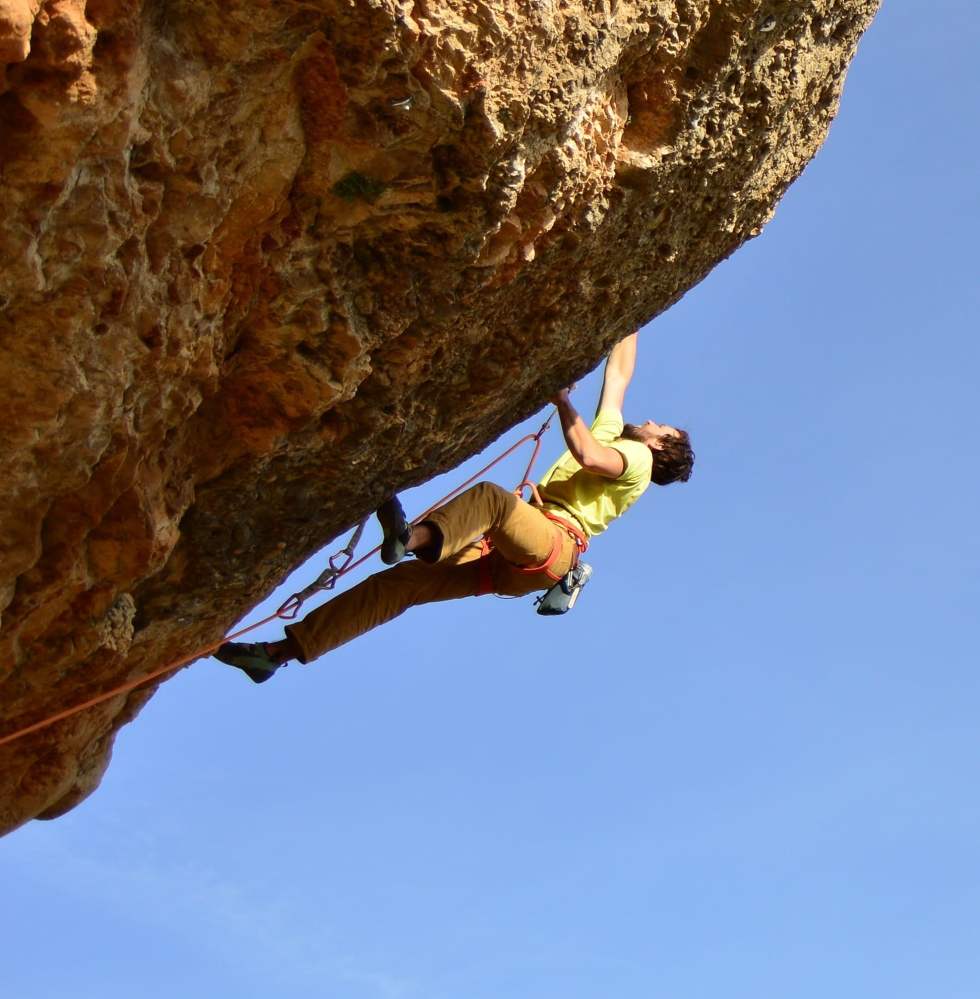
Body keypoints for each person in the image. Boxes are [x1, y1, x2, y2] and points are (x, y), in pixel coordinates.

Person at [215, 332, 694, 682]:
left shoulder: (636, 460)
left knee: (492, 500)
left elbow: (588, 455)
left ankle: (411, 539)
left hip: (549, 545)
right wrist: (629, 320)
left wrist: (563, 400)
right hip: (510, 563)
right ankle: (277, 654)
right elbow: (620, 376)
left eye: (662, 426)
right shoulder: (617, 433)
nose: (651, 419)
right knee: (399, 586)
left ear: (662, 446)